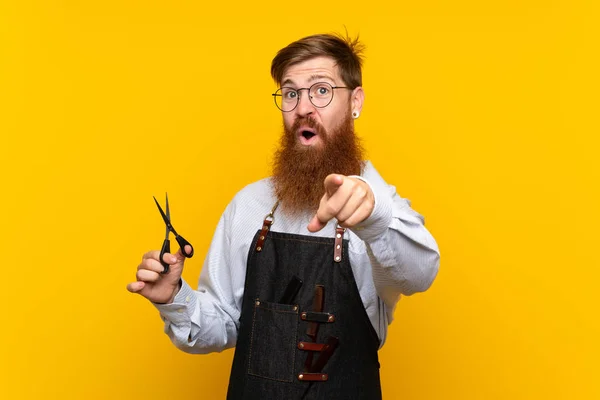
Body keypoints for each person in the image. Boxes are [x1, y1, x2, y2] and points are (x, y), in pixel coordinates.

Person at [127, 33, 440, 399]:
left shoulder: (379, 205)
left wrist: (373, 216)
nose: (304, 108)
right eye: (291, 93)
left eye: (321, 90)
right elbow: (225, 323)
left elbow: (421, 274)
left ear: (355, 101)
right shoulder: (249, 204)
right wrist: (174, 298)